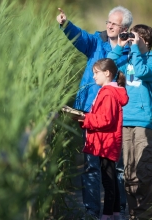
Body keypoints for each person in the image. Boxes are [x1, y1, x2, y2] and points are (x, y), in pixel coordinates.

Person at [56, 6, 133, 219]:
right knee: (91, 164)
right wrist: (65, 24)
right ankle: (91, 210)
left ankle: (119, 208)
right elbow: (80, 38)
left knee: (116, 167)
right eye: (108, 21)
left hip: (116, 115)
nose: (108, 25)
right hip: (91, 111)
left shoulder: (130, 53)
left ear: (124, 28)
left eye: (114, 23)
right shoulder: (96, 42)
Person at [107, 24, 152, 219]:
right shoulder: (127, 58)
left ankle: (146, 215)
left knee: (144, 170)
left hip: (142, 121)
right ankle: (134, 214)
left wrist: (135, 48)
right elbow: (108, 68)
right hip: (125, 120)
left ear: (145, 41)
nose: (131, 41)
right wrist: (119, 46)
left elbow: (140, 72)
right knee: (129, 172)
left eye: (135, 38)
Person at [77, 58, 128, 220]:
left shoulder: (108, 93)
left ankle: (106, 215)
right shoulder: (109, 92)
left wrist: (85, 120)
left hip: (106, 143)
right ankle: (115, 213)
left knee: (108, 181)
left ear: (107, 73)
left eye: (96, 73)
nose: (93, 77)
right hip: (107, 141)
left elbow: (106, 119)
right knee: (110, 178)